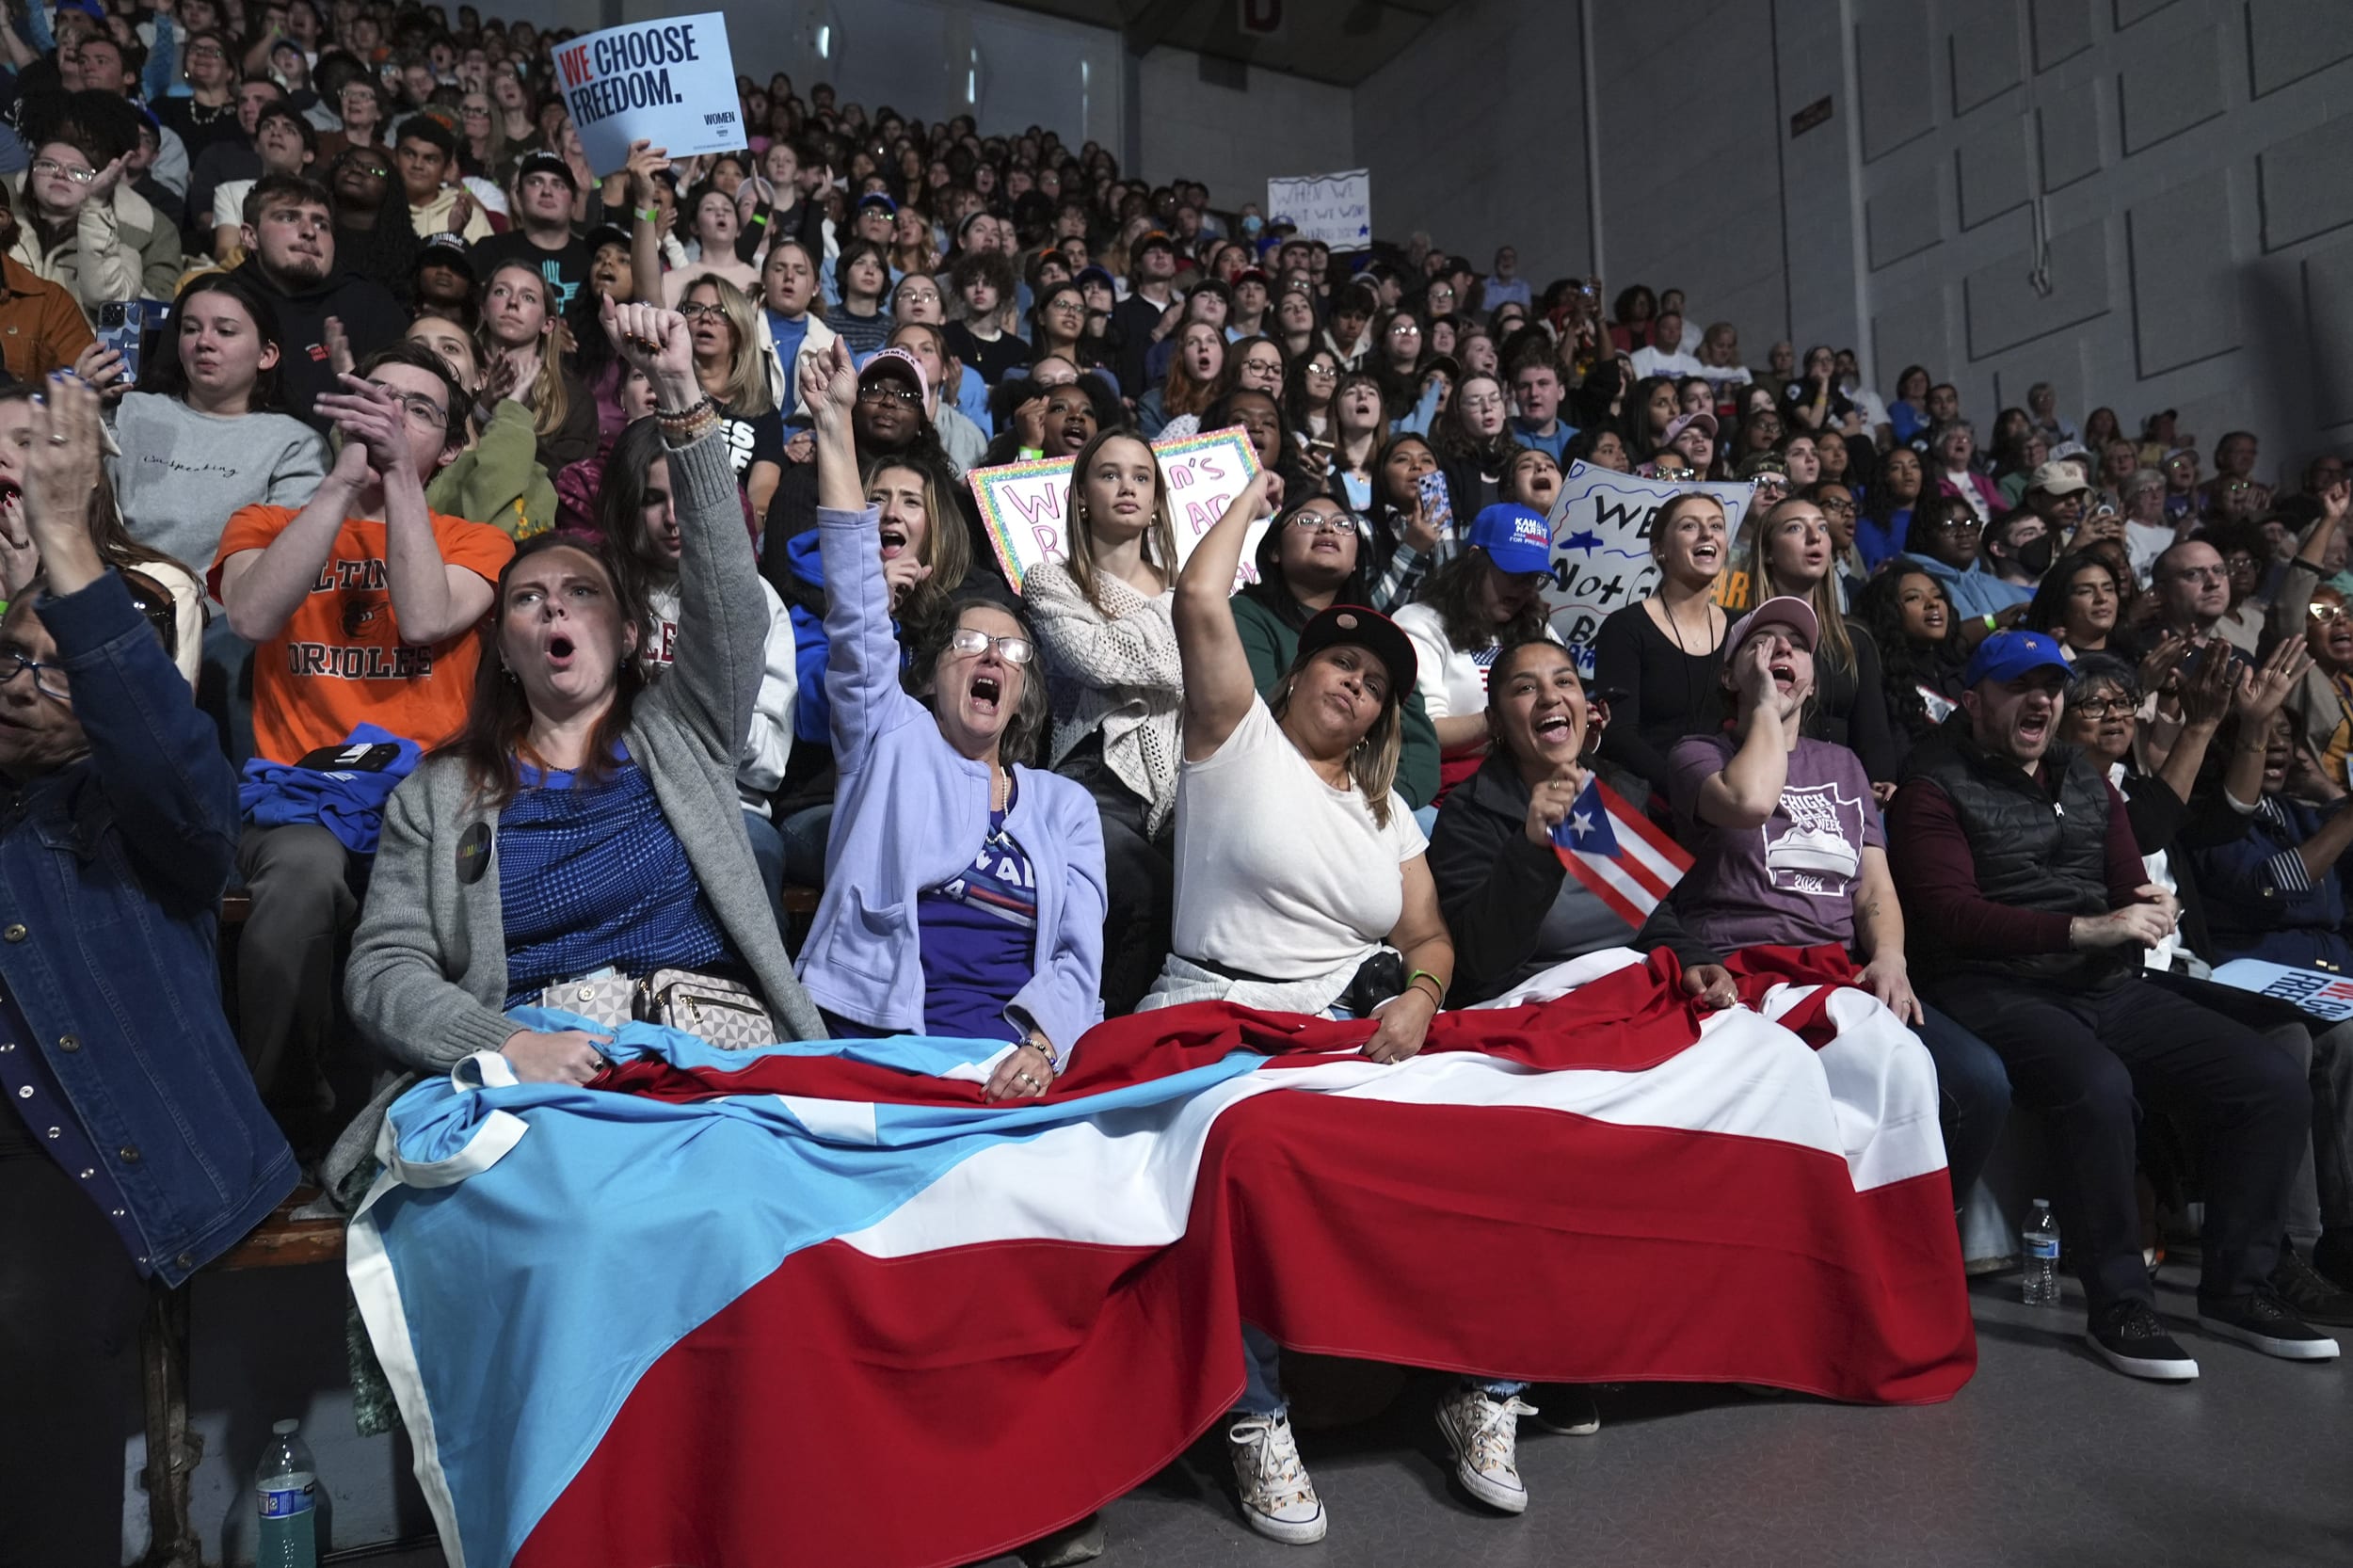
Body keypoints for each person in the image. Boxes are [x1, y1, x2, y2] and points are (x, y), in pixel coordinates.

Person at [339, 299, 825, 1190]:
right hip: (540, 1075)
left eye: (582, 592)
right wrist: (509, 1042)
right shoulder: (442, 793)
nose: (555, 606)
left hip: (708, 1061)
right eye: (528, 598)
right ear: (507, 651)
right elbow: (383, 969)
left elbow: (729, 592)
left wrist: (682, 398)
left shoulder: (684, 731)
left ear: (634, 633)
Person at [1156, 466, 1544, 1540]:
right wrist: (1253, 492)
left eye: (1376, 683)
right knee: (1252, 1146)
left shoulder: (1386, 814)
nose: (1356, 687)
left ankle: (1485, 1385)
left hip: (1351, 1019)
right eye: (1339, 660)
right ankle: (1254, 1411)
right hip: (1220, 1008)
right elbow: (1198, 601)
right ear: (1291, 671)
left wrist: (1421, 996)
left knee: (1496, 1131)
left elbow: (1427, 934)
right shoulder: (1233, 738)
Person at [0, 376, 296, 1568]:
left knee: (28, 1337)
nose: (28, 687)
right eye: (10, 668)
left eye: (58, 667)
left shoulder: (133, 812)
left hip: (65, 1137)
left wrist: (68, 553)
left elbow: (179, 785)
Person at [1887, 629, 2329, 1379]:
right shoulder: (1933, 782)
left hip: (2102, 981)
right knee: (2098, 1089)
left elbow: (2125, 872)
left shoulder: (2082, 773)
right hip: (1990, 985)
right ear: (1972, 699)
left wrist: (2148, 902)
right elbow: (1951, 915)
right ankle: (2119, 1304)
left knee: (2270, 1078)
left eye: (2053, 687)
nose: (2042, 700)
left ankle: (2239, 1286)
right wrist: (2087, 926)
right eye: (2019, 686)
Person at [210, 341, 517, 1149]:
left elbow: (420, 619)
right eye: (375, 397)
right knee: (305, 876)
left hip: (430, 802)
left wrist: (401, 485)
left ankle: (436, 1105)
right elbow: (247, 618)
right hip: (298, 797)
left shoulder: (475, 541)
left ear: (451, 448)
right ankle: (277, 1120)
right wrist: (345, 481)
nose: (389, 415)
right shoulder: (266, 522)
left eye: (418, 409)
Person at [792, 337, 1106, 1076]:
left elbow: (1076, 957)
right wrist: (836, 429)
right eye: (969, 642)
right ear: (930, 678)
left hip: (1013, 1068)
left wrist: (1042, 1046)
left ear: (1025, 691)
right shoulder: (889, 738)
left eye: (1013, 652)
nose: (994, 657)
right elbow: (856, 607)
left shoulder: (1065, 808)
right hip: (884, 1050)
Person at [104, 268, 327, 751]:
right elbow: (90, 512)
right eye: (190, 328)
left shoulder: (293, 442)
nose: (204, 342)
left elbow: (283, 563)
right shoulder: (130, 410)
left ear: (267, 354)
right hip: (116, 607)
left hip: (218, 630)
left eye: (225, 331)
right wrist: (82, 412)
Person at [1430, 637, 1714, 1003]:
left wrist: (1695, 959)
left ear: (1584, 704)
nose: (1550, 697)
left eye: (1564, 681)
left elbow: (1650, 919)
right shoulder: (1468, 812)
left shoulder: (1618, 788)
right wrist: (1533, 849)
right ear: (1496, 722)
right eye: (1526, 687)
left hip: (1632, 988)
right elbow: (1479, 961)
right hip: (1528, 1003)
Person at [1021, 428, 1182, 1014]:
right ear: (1083, 495)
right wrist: (1177, 621)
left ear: (1158, 501)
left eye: (1142, 477)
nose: (1127, 487)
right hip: (1092, 785)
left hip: (1180, 792)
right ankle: (1097, 1038)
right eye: (1110, 474)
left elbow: (1198, 677)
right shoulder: (1050, 580)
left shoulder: (1187, 590)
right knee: (1150, 893)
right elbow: (1095, 658)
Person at [1393, 502, 1557, 804]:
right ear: (1474, 559)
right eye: (1513, 572)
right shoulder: (1419, 622)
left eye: (1533, 577)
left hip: (1534, 782)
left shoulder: (1535, 624)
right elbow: (1425, 735)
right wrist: (1505, 719)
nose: (1523, 588)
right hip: (1452, 793)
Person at [1593, 491, 1729, 804]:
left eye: (1717, 526)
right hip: (1654, 804)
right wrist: (1690, 791)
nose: (1707, 534)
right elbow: (1618, 734)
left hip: (1729, 798)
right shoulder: (1625, 628)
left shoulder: (1741, 628)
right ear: (1660, 550)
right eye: (1689, 526)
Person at [8, 113, 183, 321]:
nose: (61, 175)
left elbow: (107, 302)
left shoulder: (122, 255)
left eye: (78, 172)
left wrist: (96, 205)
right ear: (30, 174)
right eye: (47, 165)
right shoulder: (7, 231)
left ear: (100, 181)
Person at [679, 275, 785, 518]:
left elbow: (762, 494)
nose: (706, 318)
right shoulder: (667, 393)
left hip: (734, 530)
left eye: (721, 311)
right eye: (694, 309)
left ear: (739, 333)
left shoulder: (763, 414)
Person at [480, 257, 598, 474]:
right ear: (483, 310)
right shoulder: (457, 377)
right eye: (501, 292)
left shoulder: (574, 400)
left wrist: (508, 414)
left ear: (548, 324)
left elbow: (565, 482)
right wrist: (483, 407)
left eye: (528, 297)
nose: (513, 302)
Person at [469, 150, 591, 313]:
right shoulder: (490, 251)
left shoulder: (592, 258)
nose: (547, 191)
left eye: (558, 185)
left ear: (574, 202)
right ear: (518, 196)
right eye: (535, 182)